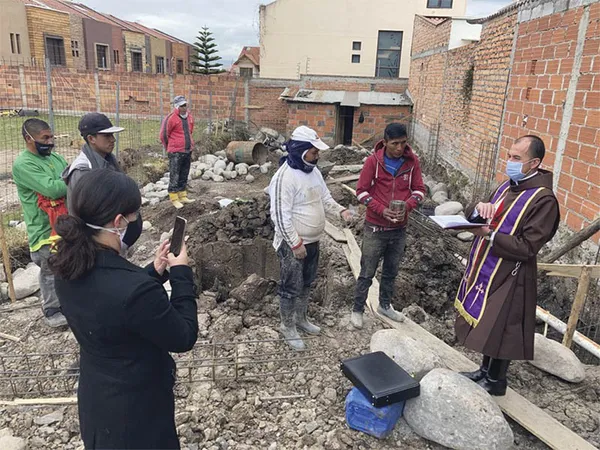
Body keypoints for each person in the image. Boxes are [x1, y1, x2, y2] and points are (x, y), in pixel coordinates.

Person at [50, 169, 198, 449]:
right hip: (138, 413)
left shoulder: (67, 266)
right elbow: (184, 336)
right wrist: (181, 273)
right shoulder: (135, 291)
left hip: (97, 402)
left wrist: (153, 272)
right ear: (118, 222)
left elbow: (110, 303)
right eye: (133, 216)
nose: (136, 222)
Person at [456, 135, 559, 396]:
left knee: (503, 326)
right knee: (490, 323)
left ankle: (496, 380)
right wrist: (479, 208)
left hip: (514, 273)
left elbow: (528, 246)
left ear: (534, 163)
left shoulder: (544, 200)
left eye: (516, 158)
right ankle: (484, 371)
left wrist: (489, 235)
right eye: (509, 155)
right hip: (490, 266)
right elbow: (478, 215)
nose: (509, 161)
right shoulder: (507, 186)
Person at [268, 126, 353, 350]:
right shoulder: (285, 177)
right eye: (314, 152)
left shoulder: (313, 172)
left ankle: (301, 319)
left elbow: (325, 197)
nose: (317, 156)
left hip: (313, 241)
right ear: (301, 150)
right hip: (292, 245)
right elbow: (280, 215)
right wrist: (295, 243)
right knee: (290, 286)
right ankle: (287, 326)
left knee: (307, 283)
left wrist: (341, 210)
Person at [350, 123, 426, 329]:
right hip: (375, 228)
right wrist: (381, 210)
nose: (400, 148)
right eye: (395, 144)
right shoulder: (373, 162)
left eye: (403, 143)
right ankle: (357, 309)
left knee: (391, 271)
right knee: (367, 271)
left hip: (399, 229)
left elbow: (419, 189)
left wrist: (407, 206)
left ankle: (384, 305)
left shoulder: (412, 162)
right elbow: (361, 192)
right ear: (385, 142)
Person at [12, 119, 69, 327]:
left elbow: (69, 179)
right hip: (44, 230)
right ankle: (52, 310)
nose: (50, 141)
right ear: (28, 138)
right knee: (51, 268)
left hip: (65, 224)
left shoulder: (55, 158)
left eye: (51, 136)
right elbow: (52, 189)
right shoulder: (24, 164)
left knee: (68, 265)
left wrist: (70, 180)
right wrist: (71, 180)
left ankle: (69, 304)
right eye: (45, 138)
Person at [63, 112, 142, 254]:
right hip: (95, 244)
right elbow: (85, 214)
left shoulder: (108, 160)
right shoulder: (83, 170)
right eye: (107, 136)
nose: (113, 140)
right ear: (91, 138)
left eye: (112, 135)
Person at [160, 95, 195, 209]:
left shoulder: (189, 117)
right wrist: (170, 146)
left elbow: (190, 130)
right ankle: (174, 197)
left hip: (187, 150)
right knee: (174, 175)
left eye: (185, 105)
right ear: (176, 107)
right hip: (175, 151)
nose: (184, 108)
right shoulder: (171, 118)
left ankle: (182, 195)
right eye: (182, 106)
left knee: (184, 173)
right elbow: (164, 134)